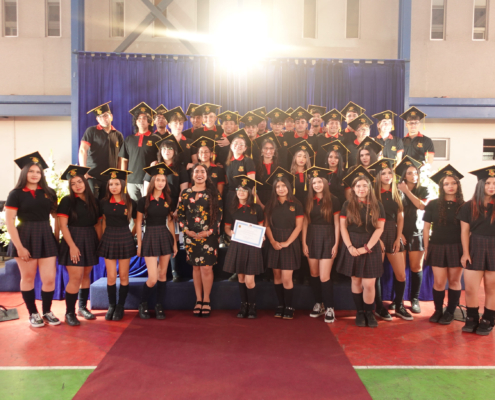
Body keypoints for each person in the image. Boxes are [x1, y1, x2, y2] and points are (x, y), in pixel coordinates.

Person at [5, 152, 60, 328]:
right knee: (28, 277)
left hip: (46, 235)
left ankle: (47, 311)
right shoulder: (15, 194)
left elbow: (56, 217)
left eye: (38, 171)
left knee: (49, 279)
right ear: (24, 173)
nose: (35, 174)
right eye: (31, 171)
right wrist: (20, 247)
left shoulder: (49, 192)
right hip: (24, 236)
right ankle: (33, 313)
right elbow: (10, 222)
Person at [336, 166, 386, 328]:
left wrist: (367, 248)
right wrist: (349, 247)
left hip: (370, 245)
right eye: (358, 186)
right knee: (356, 280)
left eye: (365, 185)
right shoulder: (347, 205)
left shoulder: (378, 205)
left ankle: (369, 313)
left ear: (370, 188)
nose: (361, 189)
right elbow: (343, 227)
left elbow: (379, 229)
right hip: (352, 243)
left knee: (369, 283)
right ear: (353, 188)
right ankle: (359, 312)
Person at [57, 165, 101, 326]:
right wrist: (72, 246)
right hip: (73, 238)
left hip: (90, 238)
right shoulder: (67, 201)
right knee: (75, 277)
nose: (77, 185)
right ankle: (69, 312)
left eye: (80, 181)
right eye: (73, 183)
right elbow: (63, 226)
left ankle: (82, 307)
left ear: (85, 181)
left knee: (85, 275)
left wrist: (98, 243)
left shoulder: (94, 201)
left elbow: (98, 224)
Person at [177, 164, 223, 317]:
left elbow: (218, 215)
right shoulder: (185, 193)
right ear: (192, 175)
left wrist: (209, 231)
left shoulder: (213, 193)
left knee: (206, 268)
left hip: (209, 236)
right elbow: (180, 214)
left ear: (207, 175)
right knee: (196, 268)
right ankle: (198, 299)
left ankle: (207, 299)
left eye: (202, 171)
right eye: (196, 171)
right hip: (191, 236)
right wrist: (186, 230)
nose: (199, 174)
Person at [369, 158, 411, 321]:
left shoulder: (398, 192)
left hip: (393, 232)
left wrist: (398, 236)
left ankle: (399, 305)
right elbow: (370, 218)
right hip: (376, 232)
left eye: (389, 173)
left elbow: (400, 217)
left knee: (401, 275)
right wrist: (376, 239)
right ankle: (379, 307)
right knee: (376, 274)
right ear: (378, 176)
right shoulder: (373, 193)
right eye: (383, 173)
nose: (387, 176)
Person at [136, 164, 178, 320]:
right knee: (152, 278)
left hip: (165, 236)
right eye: (158, 180)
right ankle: (143, 303)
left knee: (162, 274)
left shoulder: (168, 200)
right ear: (153, 181)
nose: (161, 183)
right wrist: (139, 244)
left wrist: (174, 242)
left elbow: (170, 222)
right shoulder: (143, 201)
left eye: (163, 180)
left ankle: (159, 305)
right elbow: (138, 223)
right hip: (150, 236)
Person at [424, 165, 465, 325]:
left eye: (453, 183)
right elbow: (426, 228)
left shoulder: (464, 205)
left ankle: (450, 312)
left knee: (454, 281)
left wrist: (466, 251)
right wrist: (426, 248)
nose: (450, 186)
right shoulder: (433, 204)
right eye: (446, 184)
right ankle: (438, 310)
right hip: (437, 246)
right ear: (441, 186)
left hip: (457, 247)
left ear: (458, 185)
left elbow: (467, 230)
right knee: (439, 282)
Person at [458, 166, 495, 335]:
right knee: (471, 288)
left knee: (491, 288)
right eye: (488, 183)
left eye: (494, 183)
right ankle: (472, 318)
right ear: (480, 184)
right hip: (475, 247)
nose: (491, 186)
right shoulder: (468, 206)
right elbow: (464, 231)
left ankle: (488, 319)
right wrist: (465, 253)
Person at [302, 167, 341, 323]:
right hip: (312, 236)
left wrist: (336, 244)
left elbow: (337, 224)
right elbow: (305, 222)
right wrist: (304, 242)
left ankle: (330, 307)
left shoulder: (334, 200)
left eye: (319, 182)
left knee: (325, 276)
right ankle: (319, 304)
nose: (317, 185)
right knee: (314, 274)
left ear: (325, 182)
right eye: (314, 182)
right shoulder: (308, 200)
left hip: (328, 236)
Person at [97, 168, 137, 322]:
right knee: (111, 276)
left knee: (124, 275)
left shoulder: (130, 202)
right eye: (111, 184)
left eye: (116, 184)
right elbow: (103, 221)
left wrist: (131, 235)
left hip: (125, 237)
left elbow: (137, 222)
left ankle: (121, 306)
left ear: (122, 184)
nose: (113, 187)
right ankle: (112, 305)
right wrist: (103, 237)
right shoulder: (103, 202)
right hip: (109, 237)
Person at [223, 176, 265, 319]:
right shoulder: (232, 208)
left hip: (252, 246)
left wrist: (261, 235)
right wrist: (231, 233)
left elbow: (261, 225)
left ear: (250, 192)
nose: (241, 192)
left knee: (249, 280)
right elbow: (227, 228)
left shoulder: (256, 208)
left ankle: (252, 306)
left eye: (244, 190)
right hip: (238, 245)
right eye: (238, 189)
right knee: (240, 278)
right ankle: (244, 305)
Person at [264, 171, 304, 320]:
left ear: (288, 187)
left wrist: (287, 242)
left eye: (283, 186)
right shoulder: (270, 205)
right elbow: (267, 226)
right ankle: (280, 304)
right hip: (274, 241)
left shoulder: (296, 204)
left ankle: (289, 306)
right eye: (278, 186)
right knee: (277, 275)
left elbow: (299, 227)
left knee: (287, 277)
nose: (281, 189)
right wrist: (272, 241)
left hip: (290, 242)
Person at [394, 156, 430, 314]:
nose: (413, 175)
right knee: (400, 270)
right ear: (403, 175)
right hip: (400, 233)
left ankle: (414, 299)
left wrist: (406, 191)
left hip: (417, 232)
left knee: (416, 268)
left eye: (415, 172)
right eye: (409, 173)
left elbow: (422, 206)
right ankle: (398, 300)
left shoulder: (423, 189)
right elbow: (393, 213)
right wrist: (399, 233)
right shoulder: (395, 190)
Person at [79, 102, 124, 200]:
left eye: (105, 115)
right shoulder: (91, 131)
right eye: (100, 117)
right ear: (97, 119)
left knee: (107, 203)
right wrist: (84, 171)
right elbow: (82, 150)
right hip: (92, 176)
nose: (103, 118)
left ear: (111, 116)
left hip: (110, 178)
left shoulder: (118, 135)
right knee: (92, 202)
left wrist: (119, 173)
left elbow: (120, 157)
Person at [119, 102, 160, 201]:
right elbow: (124, 160)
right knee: (133, 207)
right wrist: (123, 180)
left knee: (148, 206)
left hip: (149, 180)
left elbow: (160, 160)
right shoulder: (129, 139)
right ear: (136, 122)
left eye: (144, 118)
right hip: (131, 181)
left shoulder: (156, 139)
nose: (141, 120)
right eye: (139, 118)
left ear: (149, 122)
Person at [254, 132, 282, 207]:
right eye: (265, 148)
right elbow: (253, 188)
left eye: (271, 148)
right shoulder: (255, 166)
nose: (268, 151)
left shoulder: (280, 166)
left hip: (276, 200)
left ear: (275, 151)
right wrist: (260, 204)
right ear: (261, 150)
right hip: (259, 200)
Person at [288, 140, 315, 206]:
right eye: (299, 156)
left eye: (305, 157)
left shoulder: (311, 174)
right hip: (293, 205)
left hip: (309, 205)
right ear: (295, 157)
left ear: (307, 159)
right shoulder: (289, 174)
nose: (301, 159)